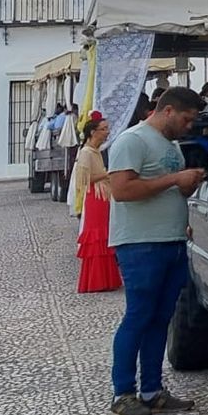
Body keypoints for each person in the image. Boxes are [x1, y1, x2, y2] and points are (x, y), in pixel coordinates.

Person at [104, 86, 206, 415]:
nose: (189, 126)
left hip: (171, 241)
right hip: (140, 243)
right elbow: (122, 190)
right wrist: (175, 178)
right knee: (138, 316)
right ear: (168, 111)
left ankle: (151, 389)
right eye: (187, 119)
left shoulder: (171, 146)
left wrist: (186, 183)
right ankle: (123, 392)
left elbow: (169, 188)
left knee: (160, 318)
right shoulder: (131, 141)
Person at [73, 115, 120, 293]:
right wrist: (107, 174)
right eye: (104, 129)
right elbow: (84, 179)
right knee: (97, 236)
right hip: (96, 196)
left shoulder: (95, 151)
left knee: (103, 235)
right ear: (93, 132)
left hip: (103, 195)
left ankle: (105, 279)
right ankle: (97, 279)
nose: (107, 133)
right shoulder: (86, 152)